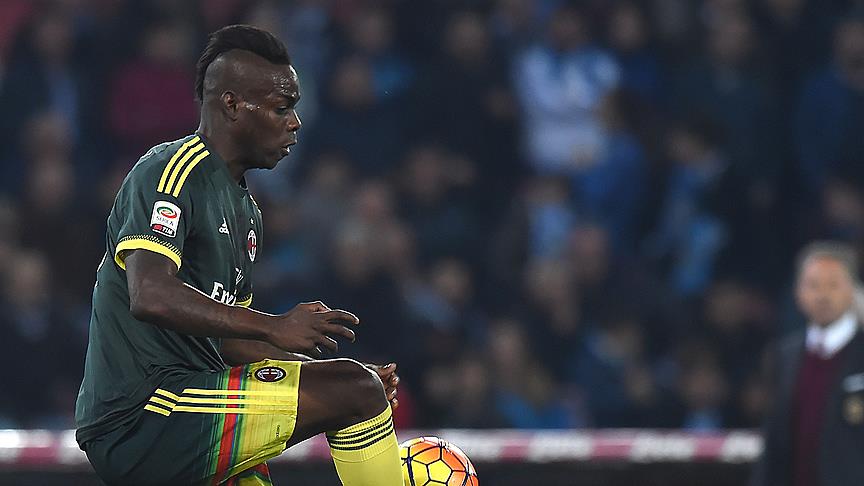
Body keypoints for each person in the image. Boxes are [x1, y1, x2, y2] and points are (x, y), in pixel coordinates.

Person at [74, 25, 403, 486]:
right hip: (143, 413)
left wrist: (323, 371)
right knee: (354, 390)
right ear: (231, 105)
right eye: (282, 107)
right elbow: (149, 293)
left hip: (193, 402)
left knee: (353, 386)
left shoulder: (247, 212)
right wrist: (279, 328)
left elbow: (230, 343)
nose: (295, 122)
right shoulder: (170, 172)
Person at [752, 241, 864, 486]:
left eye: (833, 285)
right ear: (798, 293)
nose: (823, 295)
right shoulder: (784, 355)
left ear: (852, 291)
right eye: (813, 285)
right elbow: (775, 439)